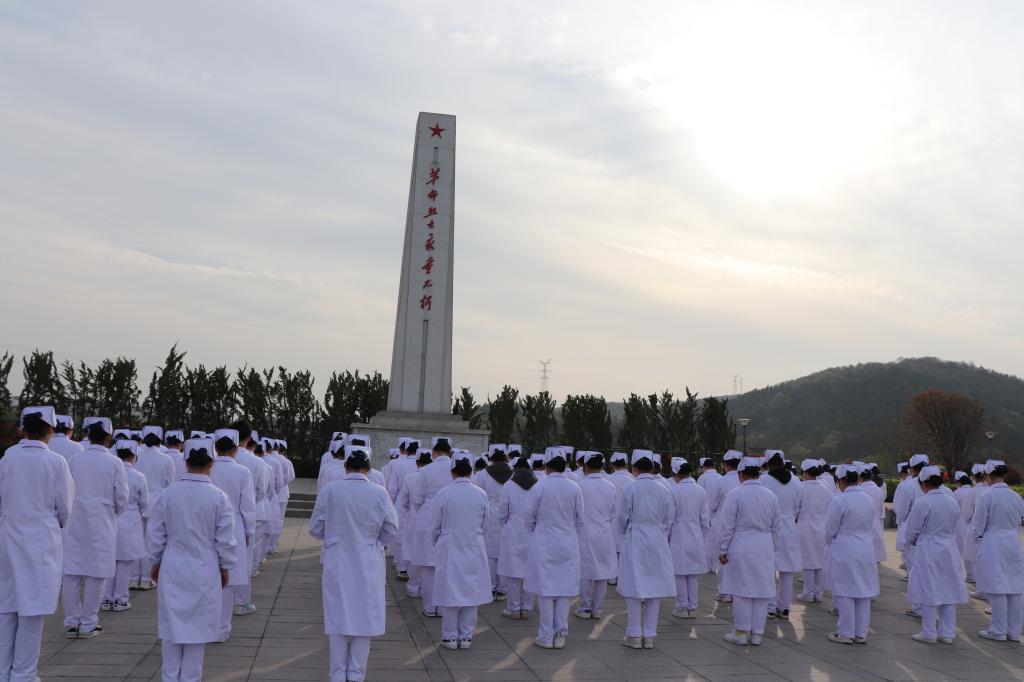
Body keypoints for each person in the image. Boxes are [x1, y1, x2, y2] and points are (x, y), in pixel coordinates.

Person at [148, 438, 238, 682]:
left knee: (171, 629)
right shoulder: (219, 497)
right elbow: (225, 540)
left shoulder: (169, 494)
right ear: (211, 464)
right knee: (197, 633)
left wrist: (155, 561)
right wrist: (225, 566)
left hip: (173, 564)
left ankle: (169, 677)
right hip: (205, 567)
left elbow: (155, 534)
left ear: (185, 462)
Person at [309, 445, 398, 681]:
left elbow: (315, 528)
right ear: (369, 469)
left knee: (337, 617)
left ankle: (338, 674)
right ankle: (356, 674)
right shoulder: (379, 493)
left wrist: (333, 537)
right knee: (365, 617)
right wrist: (373, 542)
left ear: (346, 467)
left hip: (338, 559)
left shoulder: (330, 491)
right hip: (368, 561)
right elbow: (391, 529)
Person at [0, 407, 75, 682]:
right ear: (50, 431)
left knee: (6, 607)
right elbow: (65, 506)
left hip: (8, 535)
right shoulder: (56, 462)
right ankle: (23, 674)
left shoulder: (7, 458)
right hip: (40, 540)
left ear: (23, 430)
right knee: (32, 611)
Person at [62, 416, 129, 639]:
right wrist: (111, 512)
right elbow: (122, 498)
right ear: (109, 438)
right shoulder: (115, 462)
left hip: (75, 518)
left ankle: (71, 623)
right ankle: (89, 623)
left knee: (72, 572)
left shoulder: (74, 460)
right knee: (96, 573)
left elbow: (66, 490)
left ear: (88, 436)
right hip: (102, 521)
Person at [524, 447, 584, 649]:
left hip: (544, 541)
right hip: (567, 541)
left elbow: (528, 517)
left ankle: (545, 635)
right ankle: (560, 634)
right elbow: (580, 519)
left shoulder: (539, 487)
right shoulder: (574, 488)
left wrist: (538, 529)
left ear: (547, 466)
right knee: (564, 589)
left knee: (545, 589)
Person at [717, 456, 782, 646]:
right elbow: (777, 527)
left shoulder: (735, 494)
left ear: (741, 474)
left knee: (741, 590)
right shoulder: (770, 495)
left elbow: (727, 525)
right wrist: (774, 548)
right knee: (762, 590)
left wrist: (722, 548)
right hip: (764, 545)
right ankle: (757, 632)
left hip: (741, 544)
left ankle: (741, 630)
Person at [430, 453, 491, 649]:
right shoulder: (480, 494)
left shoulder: (444, 493)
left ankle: (449, 636)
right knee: (471, 592)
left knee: (450, 592)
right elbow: (486, 523)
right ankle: (466, 636)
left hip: (450, 546)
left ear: (452, 472)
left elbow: (434, 525)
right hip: (474, 545)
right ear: (471, 471)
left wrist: (436, 541)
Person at [615, 449, 675, 649]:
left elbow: (622, 518)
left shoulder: (630, 488)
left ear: (634, 469)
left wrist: (625, 532)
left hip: (636, 537)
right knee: (654, 588)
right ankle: (649, 634)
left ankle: (634, 633)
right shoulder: (663, 489)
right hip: (657, 538)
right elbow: (667, 518)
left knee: (634, 586)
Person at [903, 465, 968, 644]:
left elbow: (912, 531)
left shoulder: (923, 502)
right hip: (949, 548)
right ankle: (947, 633)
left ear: (923, 484)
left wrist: (911, 542)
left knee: (928, 589)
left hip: (929, 548)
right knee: (949, 590)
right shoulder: (951, 501)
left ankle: (929, 632)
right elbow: (957, 526)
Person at [209, 429, 257, 639]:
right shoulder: (242, 472)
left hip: (209, 524)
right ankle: (222, 629)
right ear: (235, 450)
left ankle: (207, 625)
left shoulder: (209, 467)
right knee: (227, 580)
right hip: (234, 525)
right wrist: (249, 531)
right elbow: (248, 505)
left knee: (209, 577)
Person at [824, 464, 879, 645]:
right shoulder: (867, 498)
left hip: (845, 547)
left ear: (841, 481)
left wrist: (830, 542)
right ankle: (861, 633)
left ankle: (846, 632)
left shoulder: (839, 500)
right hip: (866, 547)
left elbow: (830, 528)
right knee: (863, 591)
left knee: (845, 590)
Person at [970, 460, 1024, 642]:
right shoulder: (1016, 496)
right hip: (1014, 542)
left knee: (996, 587)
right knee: (1015, 587)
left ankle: (998, 629)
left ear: (989, 476)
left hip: (994, 542)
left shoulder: (987, 496)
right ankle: (1014, 631)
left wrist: (978, 539)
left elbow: (978, 525)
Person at [409, 437, 455, 617]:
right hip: (450, 517)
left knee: (428, 567)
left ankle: (429, 607)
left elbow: (417, 499)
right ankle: (443, 607)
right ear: (450, 453)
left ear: (434, 453)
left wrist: (426, 508)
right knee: (446, 566)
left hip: (427, 516)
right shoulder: (455, 468)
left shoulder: (426, 470)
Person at [102, 440, 150, 613]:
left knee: (110, 561)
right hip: (130, 518)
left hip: (110, 516)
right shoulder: (139, 476)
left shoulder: (109, 472)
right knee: (125, 563)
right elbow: (145, 503)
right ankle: (121, 599)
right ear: (134, 456)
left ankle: (107, 598)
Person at [574, 452, 618, 621]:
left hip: (584, 532)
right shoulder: (610, 486)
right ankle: (597, 608)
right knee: (602, 572)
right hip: (604, 531)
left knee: (585, 571)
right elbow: (613, 512)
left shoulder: (579, 486)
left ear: (585, 466)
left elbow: (576, 512)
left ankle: (585, 607)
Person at [761, 451, 802, 619]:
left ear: (768, 464)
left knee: (769, 569)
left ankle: (770, 607)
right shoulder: (796, 481)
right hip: (789, 526)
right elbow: (798, 506)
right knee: (787, 570)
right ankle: (784, 607)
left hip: (770, 527)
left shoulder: (764, 480)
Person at [135, 425, 176, 590]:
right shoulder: (166, 459)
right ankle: (147, 578)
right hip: (157, 504)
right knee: (152, 542)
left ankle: (133, 577)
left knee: (136, 540)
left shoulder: (137, 455)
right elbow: (169, 485)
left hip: (137, 503)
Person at [497, 453, 538, 620]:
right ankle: (527, 608)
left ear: (516, 469)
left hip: (513, 529)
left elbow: (502, 511)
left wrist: (507, 524)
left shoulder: (509, 485)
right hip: (533, 530)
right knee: (530, 570)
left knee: (512, 570)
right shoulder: (538, 485)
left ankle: (514, 608)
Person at [668, 457, 709, 619]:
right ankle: (693, 606)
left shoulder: (674, 491)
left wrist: (666, 538)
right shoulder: (700, 491)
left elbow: (669, 518)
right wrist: (703, 537)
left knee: (679, 574)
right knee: (693, 575)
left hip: (678, 535)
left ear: (676, 474)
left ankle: (682, 606)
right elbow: (705, 519)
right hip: (696, 534)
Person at [473, 444, 513, 601]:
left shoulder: (483, 474)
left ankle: (489, 586)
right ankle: (502, 589)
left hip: (489, 513)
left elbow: (477, 495)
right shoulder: (512, 474)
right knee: (504, 552)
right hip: (507, 514)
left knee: (489, 553)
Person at [707, 450, 743, 603]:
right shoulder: (742, 480)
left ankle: (724, 591)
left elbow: (711, 504)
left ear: (725, 465)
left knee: (723, 556)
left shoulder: (721, 482)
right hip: (741, 524)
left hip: (722, 522)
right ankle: (736, 590)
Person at [397, 449, 433, 598]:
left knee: (412, 554)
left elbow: (403, 501)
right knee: (428, 556)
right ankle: (427, 588)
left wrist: (411, 511)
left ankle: (413, 587)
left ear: (417, 462)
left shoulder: (410, 477)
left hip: (414, 519)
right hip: (432, 520)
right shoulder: (436, 477)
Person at [796, 460, 832, 603]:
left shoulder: (801, 488)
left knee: (808, 561)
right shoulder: (825, 488)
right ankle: (818, 592)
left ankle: (808, 592)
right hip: (822, 527)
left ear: (805, 472)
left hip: (805, 527)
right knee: (820, 560)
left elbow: (796, 508)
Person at [606, 452, 633, 582]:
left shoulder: (608, 480)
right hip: (627, 519)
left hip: (611, 519)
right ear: (626, 464)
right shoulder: (632, 480)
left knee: (612, 550)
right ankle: (623, 577)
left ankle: (612, 578)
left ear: (612, 465)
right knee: (624, 550)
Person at [961, 463, 988, 586]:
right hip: (992, 531)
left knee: (974, 557)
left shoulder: (972, 492)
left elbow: (966, 514)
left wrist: (971, 523)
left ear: (974, 477)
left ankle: (977, 583)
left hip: (975, 528)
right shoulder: (991, 490)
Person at [859, 464, 888, 565]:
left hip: (862, 522)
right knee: (876, 542)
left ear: (861, 477)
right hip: (876, 520)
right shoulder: (878, 490)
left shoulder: (860, 489)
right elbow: (881, 506)